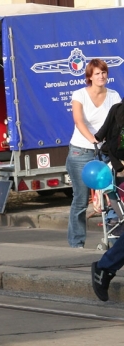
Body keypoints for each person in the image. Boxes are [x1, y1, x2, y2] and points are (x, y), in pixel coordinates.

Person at [66, 59, 121, 248]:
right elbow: (79, 121)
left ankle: (112, 240)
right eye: (97, 73)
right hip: (81, 151)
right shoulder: (79, 94)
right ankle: (76, 243)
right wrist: (93, 139)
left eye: (104, 72)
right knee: (81, 201)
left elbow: (119, 124)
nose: (101, 76)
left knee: (112, 196)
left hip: (105, 152)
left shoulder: (114, 96)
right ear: (90, 76)